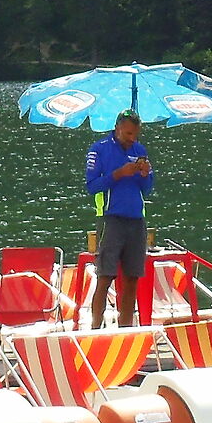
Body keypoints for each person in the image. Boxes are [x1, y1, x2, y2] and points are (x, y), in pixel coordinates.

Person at [83, 107, 154, 328]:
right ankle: (95, 327)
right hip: (110, 218)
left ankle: (126, 328)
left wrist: (145, 174)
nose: (131, 139)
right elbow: (92, 186)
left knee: (132, 277)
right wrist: (118, 174)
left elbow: (148, 189)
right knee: (106, 275)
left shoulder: (139, 150)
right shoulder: (99, 149)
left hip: (136, 219)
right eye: (127, 134)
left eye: (135, 134)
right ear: (117, 129)